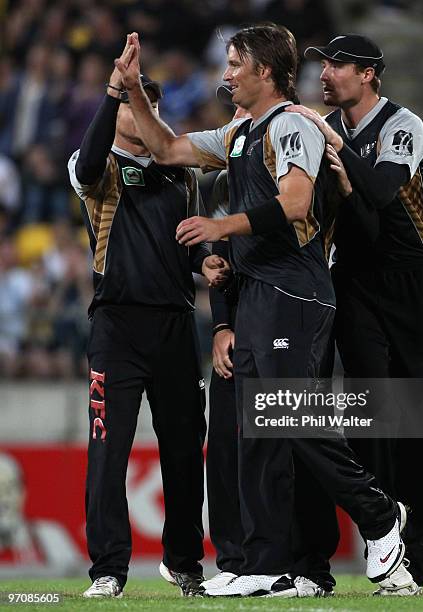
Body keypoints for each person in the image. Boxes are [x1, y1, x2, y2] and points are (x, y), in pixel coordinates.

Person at [116, 25, 408, 598]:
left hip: (294, 293)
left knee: (292, 417)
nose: (224, 75)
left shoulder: (292, 123)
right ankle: (266, 564)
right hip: (258, 293)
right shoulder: (240, 132)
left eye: (233, 64)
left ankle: (380, 516)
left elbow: (296, 202)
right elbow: (169, 149)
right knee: (261, 432)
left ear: (265, 71)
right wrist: (132, 93)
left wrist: (221, 226)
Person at [67, 37, 229, 599]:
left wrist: (202, 257)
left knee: (185, 449)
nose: (150, 116)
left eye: (153, 108)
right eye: (140, 107)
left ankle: (184, 562)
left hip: (175, 325)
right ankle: (108, 570)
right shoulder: (98, 164)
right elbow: (86, 167)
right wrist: (114, 92)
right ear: (121, 113)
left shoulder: (181, 175)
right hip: (116, 327)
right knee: (108, 450)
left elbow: (183, 245)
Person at [291, 33, 423, 595]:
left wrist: (333, 142)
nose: (325, 75)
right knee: (370, 416)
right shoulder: (332, 134)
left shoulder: (403, 125)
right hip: (354, 281)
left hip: (410, 284)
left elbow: (381, 191)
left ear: (369, 74)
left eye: (337, 65)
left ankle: (418, 557)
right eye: (323, 65)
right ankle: (388, 551)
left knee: (414, 420)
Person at [205, 166, 339, 598]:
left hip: (292, 322)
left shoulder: (304, 186)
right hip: (242, 330)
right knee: (229, 444)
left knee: (298, 438)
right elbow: (220, 258)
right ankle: (239, 562)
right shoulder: (229, 179)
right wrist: (221, 326)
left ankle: (310, 564)